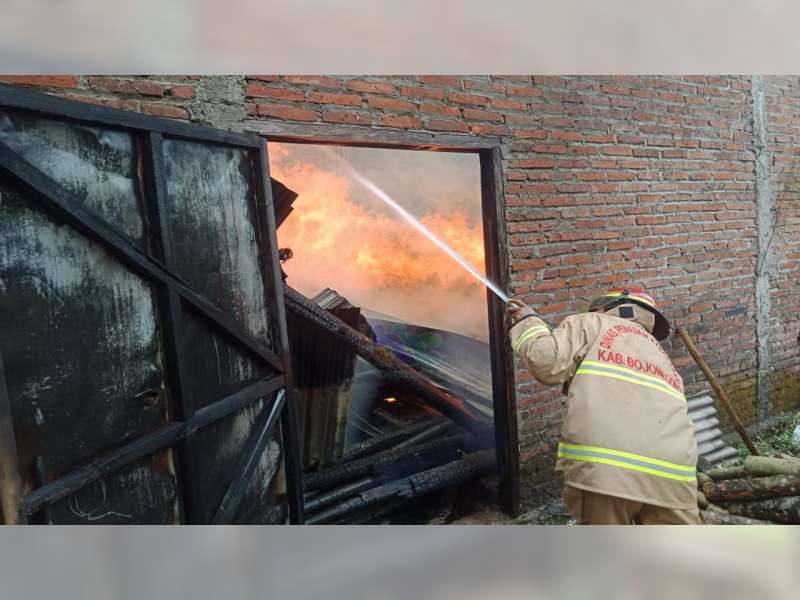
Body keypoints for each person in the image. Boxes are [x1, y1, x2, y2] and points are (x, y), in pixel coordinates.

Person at [507, 286, 703, 525]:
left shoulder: (591, 322)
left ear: (606, 306)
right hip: (674, 476)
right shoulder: (661, 357)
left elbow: (546, 361)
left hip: (609, 471)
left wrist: (529, 322)